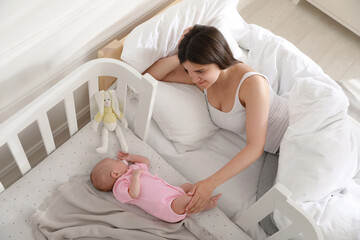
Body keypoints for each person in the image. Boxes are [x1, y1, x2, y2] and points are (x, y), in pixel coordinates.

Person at [144, 25, 289, 215]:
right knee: (271, 217)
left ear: (218, 58)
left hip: (292, 136)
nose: (194, 78)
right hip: (276, 153)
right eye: (188, 71)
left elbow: (255, 147)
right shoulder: (205, 80)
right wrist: (181, 54)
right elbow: (149, 77)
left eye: (200, 71)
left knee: (276, 217)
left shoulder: (252, 84)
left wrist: (209, 184)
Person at [90, 151, 222, 223]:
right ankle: (204, 206)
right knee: (188, 199)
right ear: (115, 174)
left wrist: (131, 157)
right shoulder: (119, 187)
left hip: (172, 192)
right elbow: (133, 194)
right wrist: (135, 177)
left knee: (188, 186)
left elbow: (146, 161)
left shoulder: (132, 169)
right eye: (116, 161)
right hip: (166, 206)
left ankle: (200, 201)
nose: (120, 160)